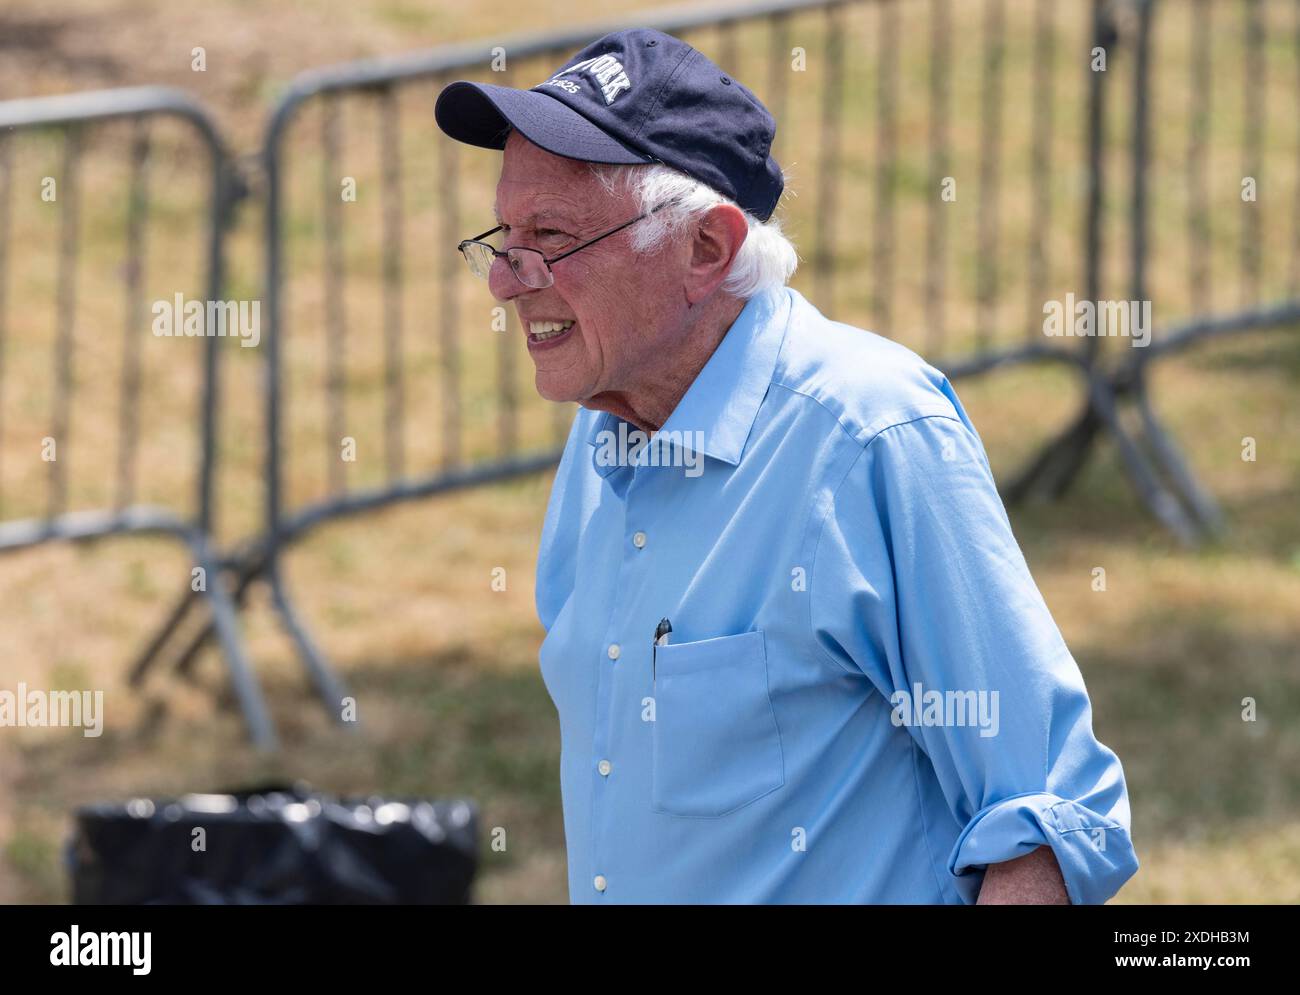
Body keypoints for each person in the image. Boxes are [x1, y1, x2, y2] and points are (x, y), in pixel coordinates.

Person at [435, 27, 1138, 904]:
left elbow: (1050, 818)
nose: (507, 280)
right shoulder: (602, 429)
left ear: (706, 248)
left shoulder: (871, 434)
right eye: (504, 235)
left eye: (552, 236)